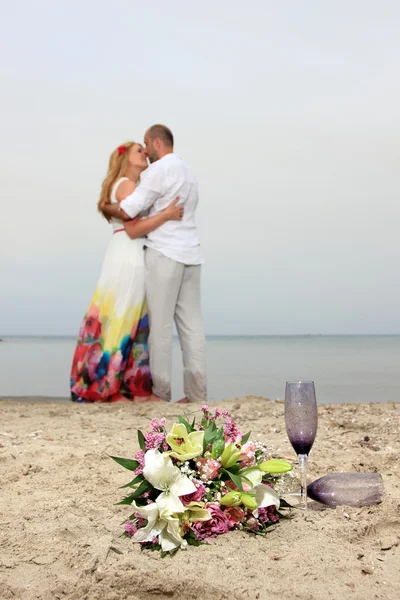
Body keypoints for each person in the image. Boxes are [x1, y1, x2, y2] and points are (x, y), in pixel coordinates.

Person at [70, 141, 183, 402]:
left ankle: (120, 384)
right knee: (126, 315)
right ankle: (113, 384)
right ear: (125, 160)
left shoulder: (122, 185)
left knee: (121, 314)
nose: (145, 154)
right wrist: (166, 214)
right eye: (139, 151)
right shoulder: (127, 186)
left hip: (122, 250)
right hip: (129, 252)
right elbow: (133, 228)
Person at [103, 125, 207, 403]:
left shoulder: (158, 171)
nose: (146, 151)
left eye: (147, 145)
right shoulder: (189, 172)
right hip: (192, 254)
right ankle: (197, 394)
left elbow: (127, 209)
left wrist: (106, 206)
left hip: (165, 254)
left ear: (157, 142)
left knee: (160, 326)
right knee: (192, 326)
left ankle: (160, 392)